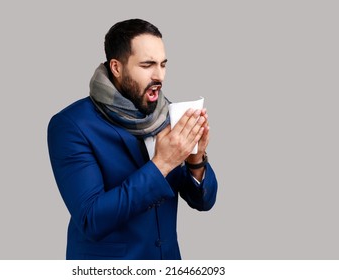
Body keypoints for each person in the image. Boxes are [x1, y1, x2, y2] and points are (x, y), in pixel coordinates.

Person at [47, 18, 218, 260]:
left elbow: (204, 202)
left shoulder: (166, 115)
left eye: (163, 64)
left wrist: (195, 158)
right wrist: (163, 164)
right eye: (147, 65)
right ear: (116, 67)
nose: (159, 75)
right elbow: (91, 219)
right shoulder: (71, 125)